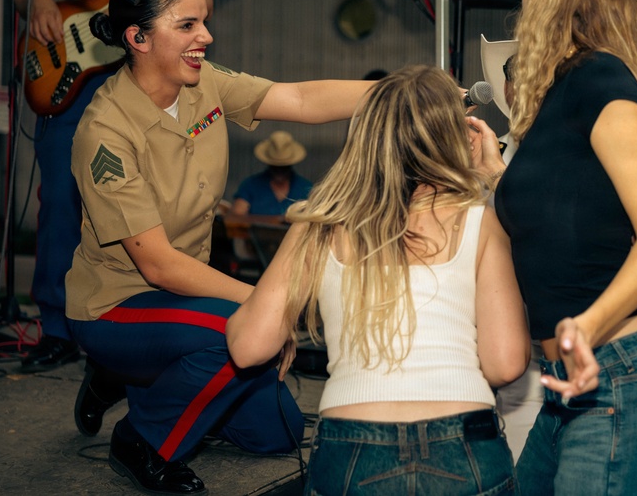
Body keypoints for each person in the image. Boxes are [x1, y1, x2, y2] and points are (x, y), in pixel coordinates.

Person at [65, 0, 373, 495]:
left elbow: (297, 100)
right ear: (138, 38)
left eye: (203, 23)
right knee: (245, 329)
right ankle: (141, 437)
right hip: (117, 305)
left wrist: (398, 94)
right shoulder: (105, 132)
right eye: (187, 26)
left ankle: (147, 380)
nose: (205, 37)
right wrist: (262, 303)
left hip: (183, 299)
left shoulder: (202, 83)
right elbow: (158, 264)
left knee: (279, 432)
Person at [226, 65, 529, 495]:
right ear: (452, 138)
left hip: (352, 443)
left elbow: (247, 346)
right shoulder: (483, 223)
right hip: (464, 438)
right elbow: (506, 362)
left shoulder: (319, 225)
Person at [493, 0, 637, 494]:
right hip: (575, 382)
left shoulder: (607, 83)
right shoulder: (559, 95)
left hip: (621, 375)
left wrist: (586, 325)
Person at [13, 0, 213, 373]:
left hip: (141, 77)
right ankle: (56, 327)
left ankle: (144, 323)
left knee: (155, 203)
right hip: (70, 79)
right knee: (59, 199)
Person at [478, 0, 637, 463]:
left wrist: (586, 324)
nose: (521, 76)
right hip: (550, 357)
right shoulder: (537, 148)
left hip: (597, 356)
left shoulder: (626, 137)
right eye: (513, 66)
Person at [231, 131, 314, 217]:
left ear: (291, 164)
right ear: (268, 163)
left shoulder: (307, 188)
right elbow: (236, 220)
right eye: (275, 166)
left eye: (284, 166)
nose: (279, 170)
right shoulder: (250, 185)